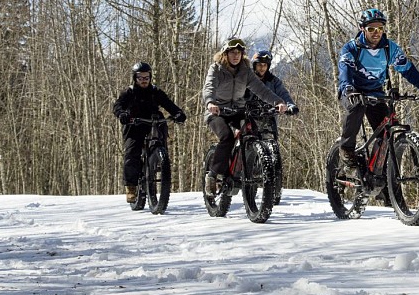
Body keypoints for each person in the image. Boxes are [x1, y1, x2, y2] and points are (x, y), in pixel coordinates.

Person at [337, 8, 419, 189]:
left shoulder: (389, 48)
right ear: (362, 29)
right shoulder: (352, 48)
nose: (376, 33)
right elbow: (345, 71)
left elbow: (408, 70)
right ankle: (346, 150)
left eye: (380, 29)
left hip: (375, 92)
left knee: (386, 132)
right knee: (356, 108)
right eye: (372, 29)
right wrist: (349, 89)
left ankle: (380, 178)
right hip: (353, 91)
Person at [202, 38, 288, 196]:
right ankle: (213, 175)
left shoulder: (245, 71)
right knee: (227, 137)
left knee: (252, 132)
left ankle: (246, 170)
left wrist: (278, 102)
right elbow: (209, 87)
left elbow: (261, 90)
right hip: (217, 111)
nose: (236, 56)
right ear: (225, 54)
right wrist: (210, 103)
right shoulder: (216, 69)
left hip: (238, 110)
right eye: (233, 52)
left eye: (239, 53)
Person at [113, 62, 186, 204]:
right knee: (132, 152)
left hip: (152, 121)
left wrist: (178, 113)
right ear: (135, 78)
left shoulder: (155, 91)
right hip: (134, 123)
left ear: (150, 77)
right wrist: (122, 114)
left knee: (162, 127)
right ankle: (131, 187)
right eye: (140, 78)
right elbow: (118, 105)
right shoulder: (129, 92)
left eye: (146, 77)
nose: (144, 80)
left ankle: (160, 158)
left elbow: (168, 104)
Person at [246, 49, 299, 137]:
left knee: (272, 146)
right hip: (247, 117)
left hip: (268, 118)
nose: (262, 68)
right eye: (259, 65)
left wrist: (290, 106)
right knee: (239, 140)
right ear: (255, 66)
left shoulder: (273, 81)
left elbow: (283, 94)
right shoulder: (247, 79)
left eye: (264, 65)